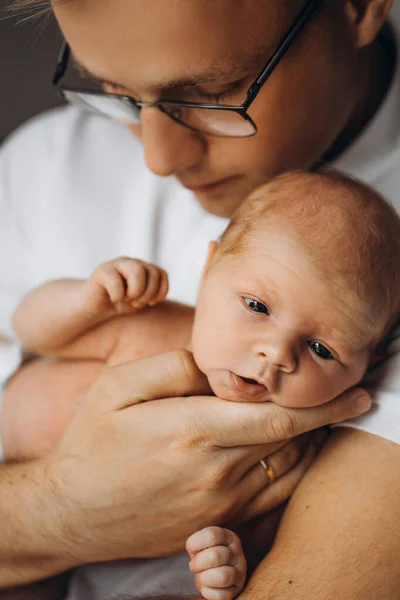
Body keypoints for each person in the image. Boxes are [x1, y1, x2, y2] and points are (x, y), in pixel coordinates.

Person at [0, 0, 399, 597]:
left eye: (214, 92)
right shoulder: (44, 169)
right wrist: (67, 508)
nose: (159, 158)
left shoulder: (383, 282)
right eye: (120, 94)